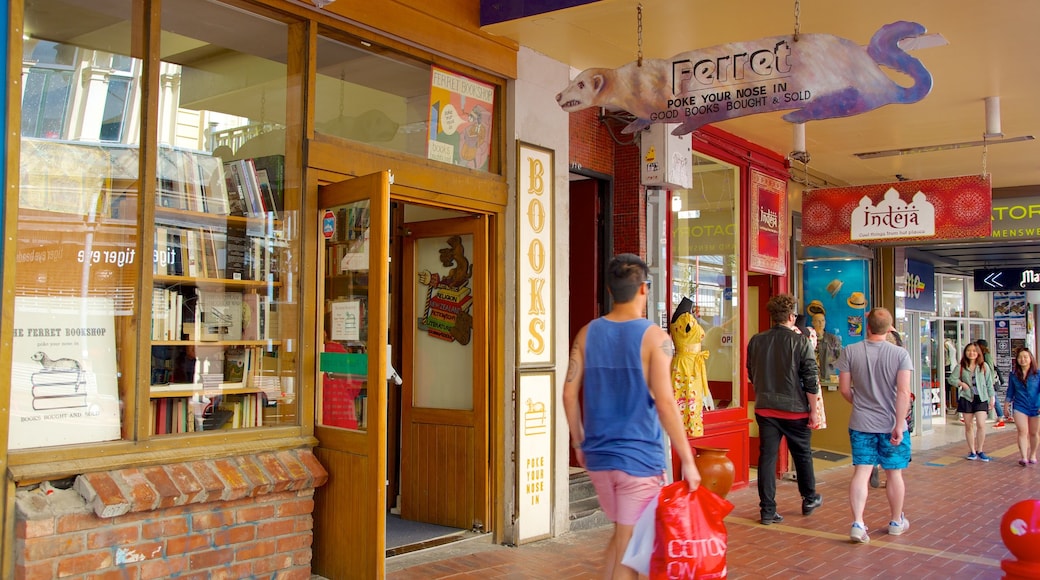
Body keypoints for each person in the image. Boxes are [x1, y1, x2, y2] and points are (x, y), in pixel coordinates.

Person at [563, 254, 701, 579]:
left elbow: (568, 394)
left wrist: (580, 441)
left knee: (622, 536)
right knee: (631, 550)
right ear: (644, 289)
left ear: (611, 291)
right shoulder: (656, 339)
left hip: (598, 458)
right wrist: (688, 460)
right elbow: (666, 403)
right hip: (637, 459)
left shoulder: (585, 334)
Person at [836, 307, 914, 544]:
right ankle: (895, 521)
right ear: (890, 328)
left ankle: (858, 523)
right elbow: (903, 392)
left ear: (867, 327)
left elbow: (844, 389)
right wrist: (899, 424)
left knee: (861, 471)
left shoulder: (850, 351)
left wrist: (859, 403)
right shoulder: (900, 355)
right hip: (891, 424)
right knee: (894, 474)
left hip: (861, 422)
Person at [747, 294, 822, 526]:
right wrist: (814, 410)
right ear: (791, 317)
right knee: (802, 455)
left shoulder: (756, 340)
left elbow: (751, 372)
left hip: (766, 408)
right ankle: (809, 498)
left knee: (767, 458)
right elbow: (810, 378)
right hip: (795, 409)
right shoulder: (801, 342)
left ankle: (767, 510)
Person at [947, 342, 997, 461]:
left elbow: (989, 383)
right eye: (969, 350)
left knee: (981, 424)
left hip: (981, 398)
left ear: (978, 353)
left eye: (974, 351)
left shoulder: (984, 366)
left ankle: (980, 450)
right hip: (967, 398)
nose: (972, 353)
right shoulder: (961, 366)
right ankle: (972, 451)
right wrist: (961, 384)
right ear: (965, 352)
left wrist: (992, 398)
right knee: (968, 426)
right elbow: (951, 379)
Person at [670, 296, 712, 436]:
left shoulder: (681, 319)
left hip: (685, 363)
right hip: (687, 365)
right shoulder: (686, 319)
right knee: (688, 395)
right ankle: (686, 427)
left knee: (685, 395)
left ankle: (683, 426)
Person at [1004, 348, 1040, 466]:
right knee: (1022, 431)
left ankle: (1033, 454)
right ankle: (1024, 457)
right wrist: (1006, 404)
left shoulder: (1037, 374)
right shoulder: (1013, 375)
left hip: (1035, 406)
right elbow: (1010, 391)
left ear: (1030, 359)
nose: (1023, 359)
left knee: (1034, 433)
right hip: (1020, 405)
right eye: (1020, 357)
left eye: (1025, 357)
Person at [976, 339, 1006, 427]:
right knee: (992, 398)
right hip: (986, 380)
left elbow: (991, 369)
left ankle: (1000, 417)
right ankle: (999, 417)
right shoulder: (982, 355)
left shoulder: (986, 355)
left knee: (994, 398)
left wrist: (991, 381)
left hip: (989, 380)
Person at [811, 312, 842, 382]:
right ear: (813, 323)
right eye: (818, 321)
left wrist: (831, 363)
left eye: (823, 320)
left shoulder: (832, 339)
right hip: (812, 378)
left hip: (828, 377)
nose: (821, 323)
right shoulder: (808, 338)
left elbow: (840, 357)